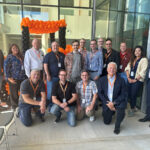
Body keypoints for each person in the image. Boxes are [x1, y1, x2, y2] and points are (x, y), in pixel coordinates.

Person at [98, 62, 127, 134]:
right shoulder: (102, 80)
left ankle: (117, 126)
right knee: (106, 122)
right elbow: (100, 93)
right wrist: (108, 103)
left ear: (116, 70)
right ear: (107, 69)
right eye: (110, 68)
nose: (112, 69)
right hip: (107, 102)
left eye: (114, 68)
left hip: (117, 101)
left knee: (121, 109)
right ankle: (110, 111)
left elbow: (123, 94)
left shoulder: (121, 80)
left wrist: (114, 103)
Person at [125, 46, 148, 117]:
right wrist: (128, 78)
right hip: (130, 79)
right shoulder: (133, 59)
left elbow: (143, 71)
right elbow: (127, 68)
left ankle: (132, 109)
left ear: (141, 52)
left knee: (133, 94)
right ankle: (133, 107)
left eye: (139, 51)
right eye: (136, 51)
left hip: (137, 80)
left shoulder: (144, 60)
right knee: (129, 94)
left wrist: (135, 80)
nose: (137, 52)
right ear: (134, 52)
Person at [4, 44, 26, 110]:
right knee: (14, 95)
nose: (15, 49)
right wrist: (9, 78)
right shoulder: (10, 57)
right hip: (14, 78)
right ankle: (15, 107)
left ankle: (22, 105)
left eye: (16, 48)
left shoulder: (21, 56)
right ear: (11, 50)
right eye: (13, 48)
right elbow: (6, 67)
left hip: (22, 78)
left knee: (23, 93)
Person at [43, 41, 65, 107]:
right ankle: (50, 106)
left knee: (59, 92)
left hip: (61, 78)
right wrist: (48, 75)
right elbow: (45, 65)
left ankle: (57, 105)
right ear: (51, 47)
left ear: (58, 47)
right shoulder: (48, 55)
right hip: (52, 77)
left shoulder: (62, 55)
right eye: (54, 46)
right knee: (50, 93)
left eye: (56, 45)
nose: (55, 47)